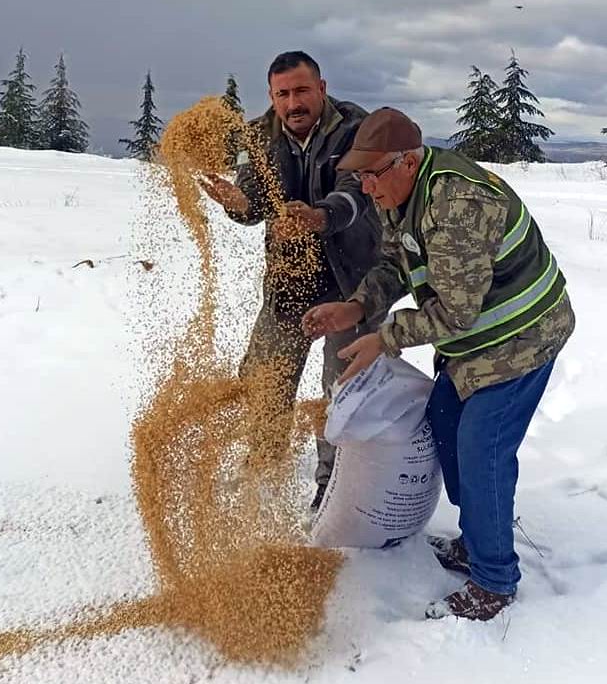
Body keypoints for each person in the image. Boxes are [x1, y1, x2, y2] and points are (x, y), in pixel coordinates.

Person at [301, 107, 575, 620]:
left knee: (481, 450)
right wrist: (357, 306)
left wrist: (384, 338)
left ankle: (494, 581)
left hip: (524, 338)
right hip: (478, 340)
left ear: (408, 161)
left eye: (373, 173)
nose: (366, 186)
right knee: (444, 420)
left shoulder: (456, 206)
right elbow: (394, 263)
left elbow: (454, 312)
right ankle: (479, 538)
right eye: (359, 175)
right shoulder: (396, 194)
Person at [199, 51, 383, 509]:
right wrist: (237, 202)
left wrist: (322, 216)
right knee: (264, 379)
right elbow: (254, 201)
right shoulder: (259, 136)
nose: (293, 102)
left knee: (342, 391)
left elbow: (358, 193)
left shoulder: (355, 127)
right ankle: (265, 463)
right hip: (288, 282)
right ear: (271, 97)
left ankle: (333, 489)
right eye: (283, 94)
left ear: (321, 88)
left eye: (302, 91)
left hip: (351, 282)